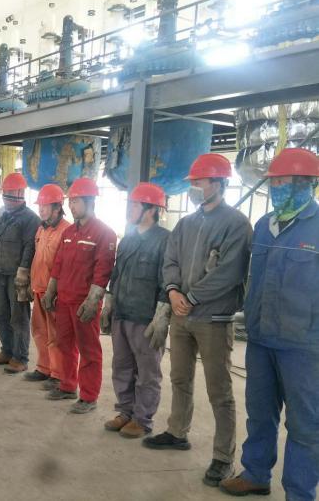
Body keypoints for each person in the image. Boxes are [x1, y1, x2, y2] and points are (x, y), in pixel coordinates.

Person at [142, 154, 252, 488]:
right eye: (192, 183)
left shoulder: (236, 224)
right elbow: (170, 260)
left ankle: (223, 457)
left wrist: (191, 297)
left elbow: (230, 273)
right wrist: (174, 291)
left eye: (199, 182)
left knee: (219, 389)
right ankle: (177, 432)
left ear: (218, 184)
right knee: (179, 377)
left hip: (213, 319)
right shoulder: (186, 224)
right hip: (182, 316)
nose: (193, 188)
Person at [220, 148, 319, 501]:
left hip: (304, 346)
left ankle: (300, 493)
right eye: (273, 182)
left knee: (305, 424)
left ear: (305, 183)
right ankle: (256, 474)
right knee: (260, 413)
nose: (275, 188)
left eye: (282, 182)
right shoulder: (264, 225)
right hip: (261, 338)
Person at [101, 182, 170, 438]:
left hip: (145, 319)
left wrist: (161, 316)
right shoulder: (128, 239)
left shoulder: (165, 240)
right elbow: (116, 274)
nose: (129, 209)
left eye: (135, 205)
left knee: (147, 372)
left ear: (151, 209)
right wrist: (109, 303)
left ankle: (142, 419)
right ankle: (125, 412)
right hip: (122, 314)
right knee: (122, 367)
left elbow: (168, 280)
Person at [42, 178, 117, 414]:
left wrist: (93, 301)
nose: (71, 206)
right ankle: (67, 385)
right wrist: (51, 290)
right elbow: (58, 264)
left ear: (89, 201)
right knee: (64, 345)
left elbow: (103, 271)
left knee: (89, 350)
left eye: (75, 201)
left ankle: (88, 396)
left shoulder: (104, 233)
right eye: (70, 201)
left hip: (84, 303)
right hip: (64, 300)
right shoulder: (69, 232)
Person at [0, 172, 41, 374]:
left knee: (18, 318)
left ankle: (20, 357)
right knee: (0, 313)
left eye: (9, 192)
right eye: (4, 193)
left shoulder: (30, 219)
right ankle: (7, 351)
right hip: (1, 274)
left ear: (20, 192)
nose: (6, 197)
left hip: (18, 277)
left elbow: (29, 247)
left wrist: (24, 273)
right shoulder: (4, 216)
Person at [24, 184, 70, 389]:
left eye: (45, 205)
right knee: (39, 330)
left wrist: (57, 291)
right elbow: (38, 258)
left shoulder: (66, 230)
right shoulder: (41, 229)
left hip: (55, 292)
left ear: (57, 207)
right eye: (40, 205)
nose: (41, 209)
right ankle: (44, 368)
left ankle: (58, 374)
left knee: (56, 335)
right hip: (38, 288)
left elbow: (66, 265)